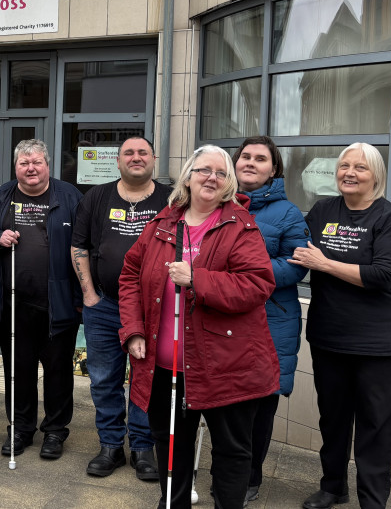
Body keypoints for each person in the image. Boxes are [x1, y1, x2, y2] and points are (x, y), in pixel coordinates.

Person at [120, 145, 279, 509]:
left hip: (226, 366)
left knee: (231, 451)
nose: (212, 177)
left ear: (228, 184)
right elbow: (130, 275)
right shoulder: (162, 224)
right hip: (164, 366)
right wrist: (133, 329)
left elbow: (258, 285)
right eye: (204, 170)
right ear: (188, 177)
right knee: (171, 443)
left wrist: (197, 279)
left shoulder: (241, 227)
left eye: (221, 173)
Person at [289, 143, 391, 509]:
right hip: (331, 335)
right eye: (344, 165)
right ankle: (332, 487)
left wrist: (325, 263)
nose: (349, 172)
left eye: (360, 167)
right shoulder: (324, 210)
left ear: (375, 175)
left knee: (377, 425)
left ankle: (372, 501)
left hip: (383, 341)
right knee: (333, 418)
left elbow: (384, 275)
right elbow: (299, 252)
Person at [71, 136, 170, 481]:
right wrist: (89, 295)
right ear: (118, 161)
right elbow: (78, 245)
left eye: (143, 152)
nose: (136, 157)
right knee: (103, 379)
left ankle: (143, 447)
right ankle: (110, 446)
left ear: (153, 159)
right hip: (105, 306)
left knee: (146, 379)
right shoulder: (97, 197)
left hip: (153, 310)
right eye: (129, 152)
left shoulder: (171, 199)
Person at [0, 140, 82, 460]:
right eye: (24, 162)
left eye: (37, 162)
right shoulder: (1, 195)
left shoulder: (69, 196)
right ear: (15, 167)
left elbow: (85, 243)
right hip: (13, 303)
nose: (31, 168)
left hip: (58, 303)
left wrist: (83, 296)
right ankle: (20, 429)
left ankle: (55, 432)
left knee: (58, 372)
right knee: (18, 371)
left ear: (48, 165)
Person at [232, 136, 309, 503]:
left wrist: (244, 279)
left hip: (269, 321)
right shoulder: (217, 203)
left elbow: (297, 265)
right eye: (245, 156)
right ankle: (228, 469)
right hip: (222, 319)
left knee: (259, 406)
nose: (250, 162)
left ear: (273, 169)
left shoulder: (288, 213)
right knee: (225, 402)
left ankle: (249, 477)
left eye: (260, 159)